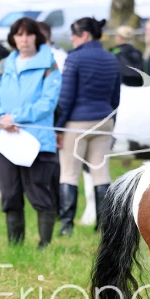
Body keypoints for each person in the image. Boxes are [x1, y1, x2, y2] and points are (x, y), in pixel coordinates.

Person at [0, 17, 62, 248]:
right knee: (10, 193)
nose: (24, 39)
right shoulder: (3, 65)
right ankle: (15, 246)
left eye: (29, 34)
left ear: (37, 37)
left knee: (39, 192)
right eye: (19, 35)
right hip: (5, 140)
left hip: (36, 141)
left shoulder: (49, 66)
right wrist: (1, 117)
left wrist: (16, 118)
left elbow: (47, 103)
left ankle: (44, 245)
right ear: (13, 38)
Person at [55, 17, 122, 236]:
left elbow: (66, 98)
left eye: (74, 34)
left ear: (84, 35)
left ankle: (66, 225)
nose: (71, 38)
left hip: (77, 122)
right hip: (104, 120)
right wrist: (111, 122)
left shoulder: (74, 58)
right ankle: (103, 226)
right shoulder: (112, 58)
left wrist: (58, 128)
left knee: (69, 173)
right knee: (101, 173)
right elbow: (115, 98)